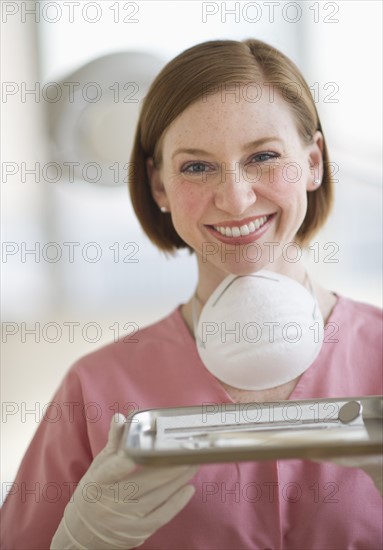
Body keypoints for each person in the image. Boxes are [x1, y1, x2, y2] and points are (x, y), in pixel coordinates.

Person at [1, 38, 382, 550]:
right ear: (159, 186)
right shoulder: (95, 389)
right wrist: (76, 541)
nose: (236, 197)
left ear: (313, 162)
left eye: (264, 156)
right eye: (196, 167)